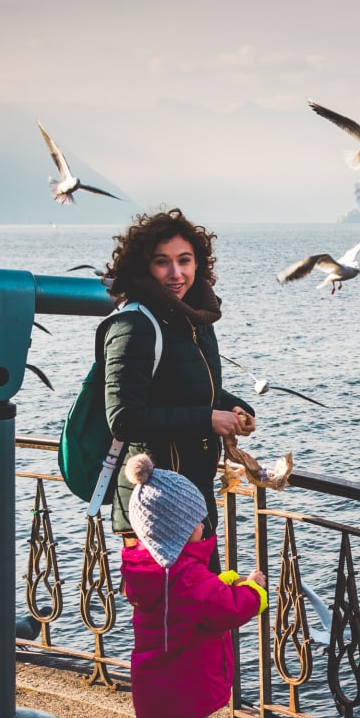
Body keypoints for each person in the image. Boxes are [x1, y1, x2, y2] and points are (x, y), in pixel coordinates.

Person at [120, 452, 267, 718]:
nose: (205, 525)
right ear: (183, 529)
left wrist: (222, 580)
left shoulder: (149, 569)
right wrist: (254, 587)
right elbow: (230, 607)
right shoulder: (188, 580)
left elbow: (200, 599)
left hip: (154, 692)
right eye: (198, 520)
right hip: (183, 695)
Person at [102, 208, 256, 565]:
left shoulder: (193, 319)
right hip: (155, 507)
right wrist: (207, 419)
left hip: (190, 500)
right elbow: (123, 419)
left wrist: (234, 408)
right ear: (143, 268)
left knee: (205, 615)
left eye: (185, 261)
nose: (176, 273)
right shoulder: (134, 325)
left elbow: (193, 388)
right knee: (178, 619)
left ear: (199, 264)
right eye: (162, 262)